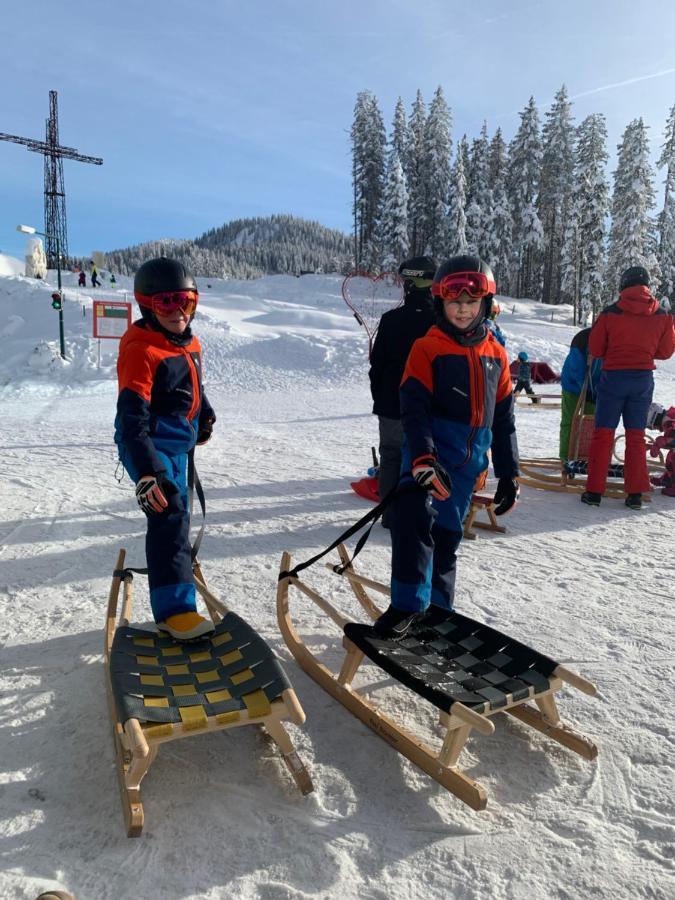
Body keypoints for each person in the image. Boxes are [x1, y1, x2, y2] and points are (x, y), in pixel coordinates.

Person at [374, 255, 519, 637]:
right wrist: (422, 458)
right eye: (455, 302)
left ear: (485, 304)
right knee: (413, 523)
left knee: (447, 538)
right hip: (427, 459)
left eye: (472, 302)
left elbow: (504, 420)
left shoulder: (496, 356)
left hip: (465, 467)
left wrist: (509, 474)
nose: (463, 309)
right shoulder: (428, 348)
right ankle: (407, 606)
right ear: (441, 303)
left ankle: (438, 610)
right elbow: (414, 409)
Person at [114, 257, 216, 640]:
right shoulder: (142, 349)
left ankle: (178, 582)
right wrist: (147, 472)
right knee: (168, 515)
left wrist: (204, 415)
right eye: (166, 304)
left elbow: (194, 384)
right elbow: (131, 419)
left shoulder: (190, 342)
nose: (178, 313)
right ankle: (174, 612)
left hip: (179, 443)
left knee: (180, 516)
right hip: (147, 445)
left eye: (186, 302)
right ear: (147, 306)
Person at [581, 265, 675, 509]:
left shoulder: (610, 312)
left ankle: (593, 492)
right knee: (635, 436)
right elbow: (665, 352)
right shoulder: (662, 315)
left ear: (624, 284)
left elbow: (596, 349)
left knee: (603, 435)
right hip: (642, 380)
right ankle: (634, 494)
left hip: (613, 379)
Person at [368, 255, 436, 527]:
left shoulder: (391, 320)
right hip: (428, 405)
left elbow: (377, 366)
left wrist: (381, 397)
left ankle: (391, 514)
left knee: (392, 455)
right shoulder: (441, 322)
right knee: (425, 455)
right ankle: (420, 512)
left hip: (392, 404)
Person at [559, 328, 602, 461]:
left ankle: (585, 456)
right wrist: (585, 388)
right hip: (573, 385)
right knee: (570, 421)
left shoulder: (614, 341)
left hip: (594, 388)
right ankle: (566, 456)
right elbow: (576, 369)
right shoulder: (583, 338)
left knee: (590, 422)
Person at [648, 404, 675, 497]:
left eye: (653, 426)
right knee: (671, 456)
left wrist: (660, 441)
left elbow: (672, 437)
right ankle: (668, 478)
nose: (655, 428)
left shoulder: (670, 421)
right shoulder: (670, 418)